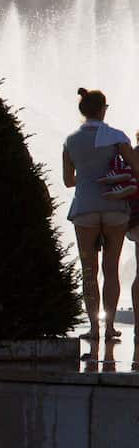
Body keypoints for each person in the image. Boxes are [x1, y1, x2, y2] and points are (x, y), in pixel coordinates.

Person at [63, 88, 139, 340]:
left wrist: (89, 178)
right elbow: (136, 169)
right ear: (102, 109)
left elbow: (68, 181)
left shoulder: (70, 141)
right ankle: (109, 328)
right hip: (114, 208)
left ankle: (94, 328)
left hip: (84, 208)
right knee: (111, 269)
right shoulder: (116, 136)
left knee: (89, 271)